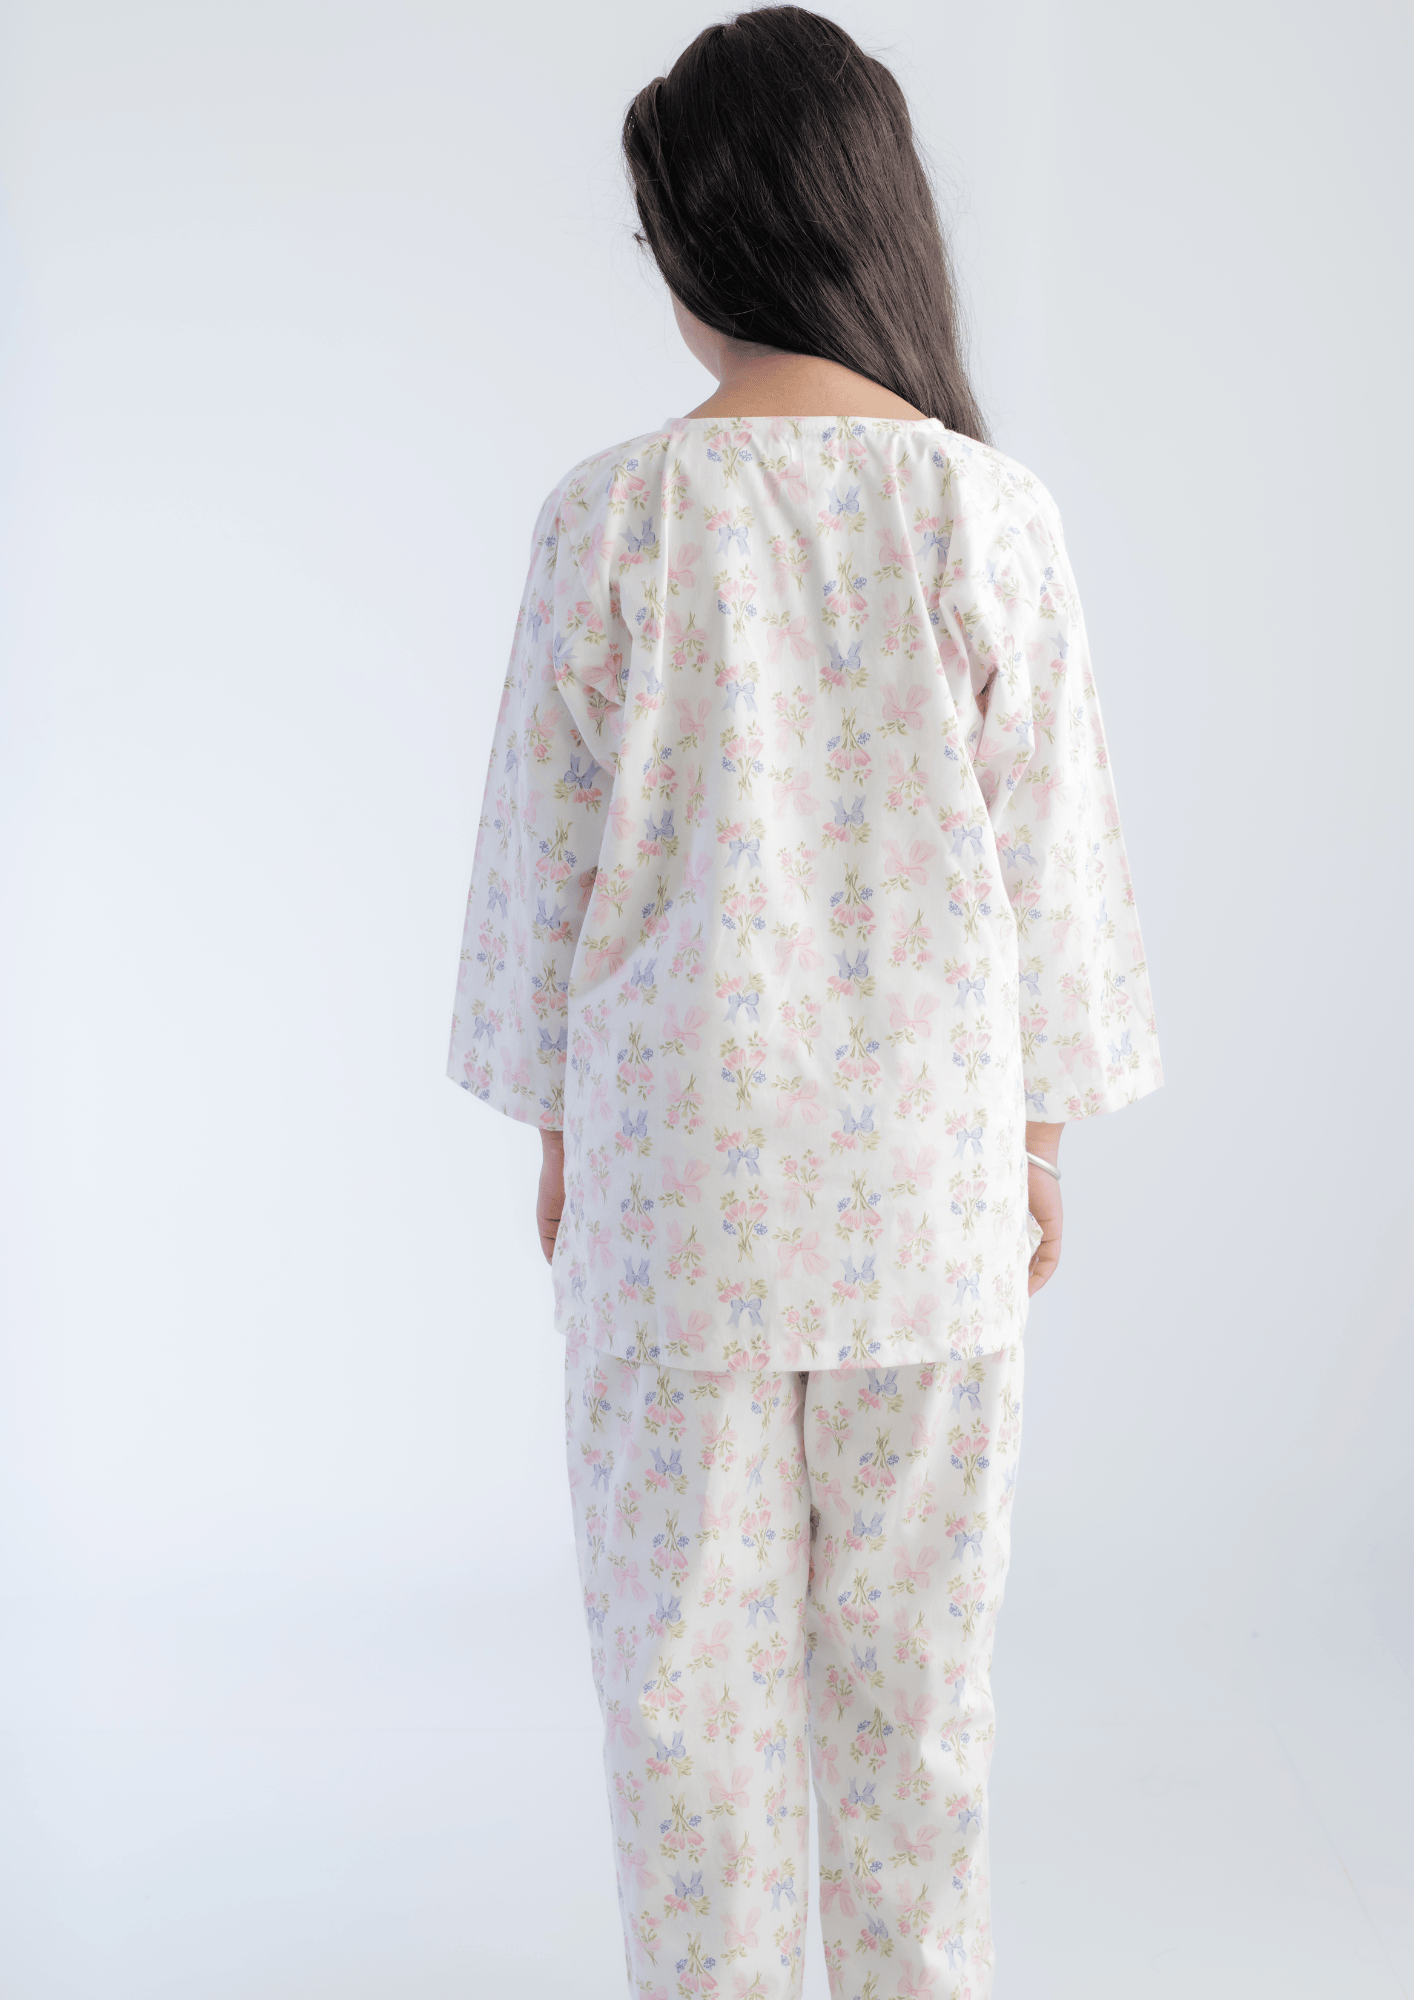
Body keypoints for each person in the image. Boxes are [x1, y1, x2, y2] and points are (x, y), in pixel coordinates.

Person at [447, 8, 1161, 1993]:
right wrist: (1034, 1139)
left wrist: (559, 1132)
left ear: (704, 242)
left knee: (683, 1715)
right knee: (917, 1710)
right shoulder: (985, 514)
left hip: (676, 1197)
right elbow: (1054, 873)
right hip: (925, 1197)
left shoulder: (612, 518)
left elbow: (538, 879)